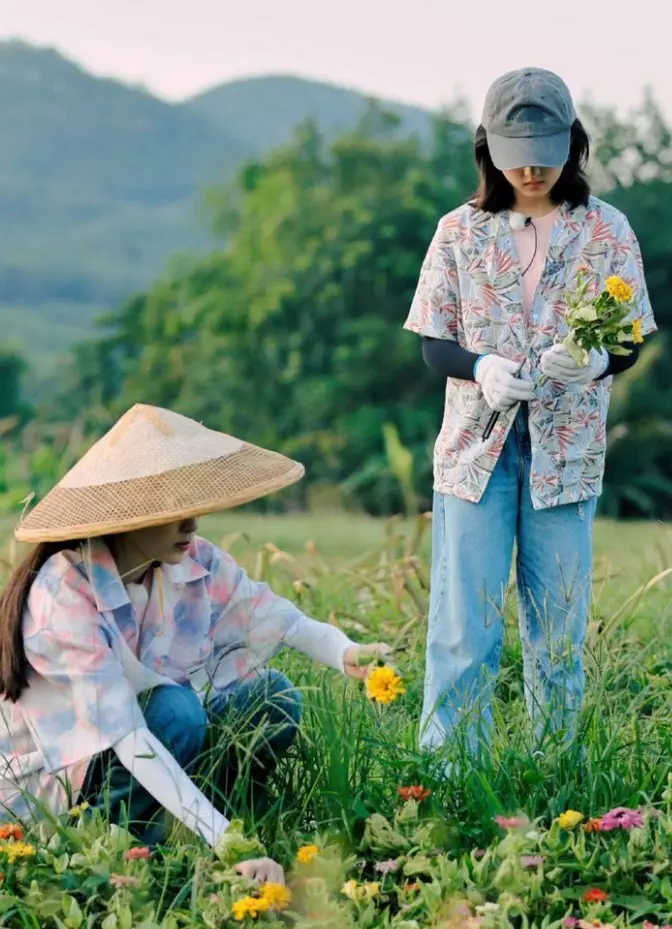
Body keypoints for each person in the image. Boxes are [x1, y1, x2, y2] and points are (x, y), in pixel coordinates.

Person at [0, 403, 390, 883]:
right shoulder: (65, 592)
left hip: (149, 747)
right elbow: (130, 735)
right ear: (130, 516)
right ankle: (127, 851)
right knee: (175, 710)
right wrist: (229, 843)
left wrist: (347, 652)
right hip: (63, 786)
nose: (193, 524)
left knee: (272, 697)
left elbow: (274, 615)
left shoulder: (189, 560)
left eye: (192, 504)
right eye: (173, 510)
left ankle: (197, 827)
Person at [404, 68, 656, 765]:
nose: (533, 167)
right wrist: (480, 365)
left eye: (547, 150)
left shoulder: (607, 230)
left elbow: (629, 336)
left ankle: (555, 773)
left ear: (574, 144)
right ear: (488, 148)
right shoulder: (459, 231)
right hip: (474, 452)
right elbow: (433, 341)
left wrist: (600, 364)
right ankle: (451, 775)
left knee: (558, 629)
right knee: (466, 627)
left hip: (566, 450)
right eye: (517, 152)